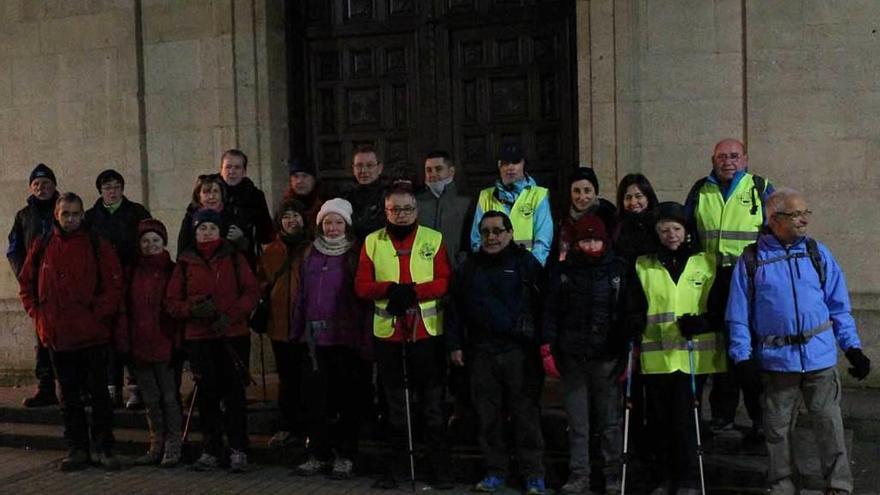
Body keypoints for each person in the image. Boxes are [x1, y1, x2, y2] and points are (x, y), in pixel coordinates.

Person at [726, 188, 871, 495]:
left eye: (806, 212)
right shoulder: (751, 260)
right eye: (796, 214)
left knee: (830, 427)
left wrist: (853, 348)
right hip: (777, 363)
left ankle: (838, 487)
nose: (804, 220)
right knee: (778, 433)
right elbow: (737, 315)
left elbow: (838, 306)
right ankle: (782, 486)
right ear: (774, 219)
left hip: (819, 360)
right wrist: (742, 358)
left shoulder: (818, 253)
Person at [354, 185, 453, 490]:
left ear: (416, 210)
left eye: (407, 209)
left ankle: (439, 468)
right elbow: (361, 285)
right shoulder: (372, 242)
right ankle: (397, 468)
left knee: (433, 408)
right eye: (394, 209)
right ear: (385, 211)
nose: (401, 215)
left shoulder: (432, 239)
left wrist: (413, 292)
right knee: (396, 408)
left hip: (426, 335)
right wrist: (387, 289)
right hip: (389, 337)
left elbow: (444, 280)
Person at [626, 202, 728, 494]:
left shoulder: (706, 262)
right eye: (664, 230)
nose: (671, 235)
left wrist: (702, 322)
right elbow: (635, 304)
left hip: (694, 356)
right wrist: (633, 322)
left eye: (676, 229)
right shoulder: (643, 264)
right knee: (659, 422)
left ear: (686, 231)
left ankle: (687, 479)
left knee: (686, 422)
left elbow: (719, 307)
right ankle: (663, 476)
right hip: (657, 357)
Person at [18, 192, 124, 471]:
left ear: (82, 215)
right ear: (56, 214)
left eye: (76, 213)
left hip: (92, 335)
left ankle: (104, 447)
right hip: (58, 336)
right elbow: (26, 285)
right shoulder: (42, 245)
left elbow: (113, 287)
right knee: (68, 397)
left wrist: (96, 316)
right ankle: (77, 448)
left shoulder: (97, 245)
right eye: (66, 213)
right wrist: (39, 316)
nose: (71, 218)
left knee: (99, 396)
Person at [448, 210, 546, 495]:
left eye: (498, 231)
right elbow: (455, 308)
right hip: (481, 352)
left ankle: (533, 476)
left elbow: (543, 306)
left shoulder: (526, 264)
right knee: (487, 418)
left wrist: (540, 342)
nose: (492, 237)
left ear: (510, 233)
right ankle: (495, 472)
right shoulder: (469, 267)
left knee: (526, 416)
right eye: (486, 232)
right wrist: (454, 344)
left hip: (520, 353)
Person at [684, 138, 774, 436]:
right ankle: (723, 415)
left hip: (750, 282)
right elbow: (689, 234)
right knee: (720, 349)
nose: (728, 161)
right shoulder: (701, 190)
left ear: (745, 159)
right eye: (722, 156)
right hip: (713, 281)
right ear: (713, 159)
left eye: (734, 156)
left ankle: (761, 418)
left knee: (750, 350)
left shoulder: (760, 188)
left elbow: (774, 234)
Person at [165, 208, 260, 473]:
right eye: (202, 229)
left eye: (212, 228)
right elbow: (172, 302)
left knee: (234, 395)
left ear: (220, 231)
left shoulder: (235, 258)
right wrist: (192, 310)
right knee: (207, 395)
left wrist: (230, 317)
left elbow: (251, 292)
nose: (207, 233)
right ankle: (211, 448)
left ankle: (238, 448)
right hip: (200, 338)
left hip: (232, 335)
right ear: (194, 232)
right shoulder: (184, 262)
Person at [544, 214, 628, 494]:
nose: (591, 246)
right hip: (573, 357)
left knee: (609, 422)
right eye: (585, 240)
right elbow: (551, 312)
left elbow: (629, 313)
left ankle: (612, 475)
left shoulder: (618, 270)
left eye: (595, 240)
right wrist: (549, 348)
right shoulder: (563, 272)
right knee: (577, 422)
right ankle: (579, 474)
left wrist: (627, 350)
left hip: (607, 356)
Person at [292, 198, 369, 479]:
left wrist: (363, 338)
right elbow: (302, 295)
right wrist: (297, 328)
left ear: (346, 225)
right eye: (328, 222)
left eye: (338, 222)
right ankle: (319, 453)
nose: (333, 228)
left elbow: (362, 300)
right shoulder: (309, 254)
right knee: (317, 400)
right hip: (315, 339)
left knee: (347, 399)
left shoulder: (355, 254)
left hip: (345, 338)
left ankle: (346, 454)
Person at [116, 219, 182, 467]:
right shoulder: (132, 272)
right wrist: (125, 342)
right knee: (151, 399)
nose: (150, 245)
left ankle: (173, 444)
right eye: (145, 241)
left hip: (165, 344)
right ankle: (156, 443)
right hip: (140, 345)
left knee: (169, 397)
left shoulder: (173, 270)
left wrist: (178, 344)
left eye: (155, 240)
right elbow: (125, 309)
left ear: (164, 242)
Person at [85, 169, 152, 410]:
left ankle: (135, 386)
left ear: (122, 188)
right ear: (100, 191)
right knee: (109, 336)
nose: (112, 192)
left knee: (132, 334)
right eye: (107, 188)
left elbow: (149, 241)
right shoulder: (91, 217)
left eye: (115, 187)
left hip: (132, 279)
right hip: (103, 284)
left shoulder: (137, 212)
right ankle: (112, 387)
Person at [256, 199, 312, 449]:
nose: (292, 221)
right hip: (279, 326)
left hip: (308, 327)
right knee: (287, 379)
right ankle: (288, 426)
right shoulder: (271, 252)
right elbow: (261, 282)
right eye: (286, 216)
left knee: (308, 379)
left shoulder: (313, 248)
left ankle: (309, 427)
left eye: (296, 216)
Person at [6, 163, 60, 408]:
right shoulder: (23, 216)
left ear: (54, 185)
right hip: (38, 288)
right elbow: (14, 250)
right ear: (31, 187)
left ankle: (76, 388)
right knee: (42, 338)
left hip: (64, 286)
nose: (41, 188)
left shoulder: (65, 209)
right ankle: (46, 387)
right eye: (37, 184)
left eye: (46, 183)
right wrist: (24, 276)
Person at [469, 142, 553, 266]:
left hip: (526, 269)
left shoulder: (539, 195)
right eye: (505, 163)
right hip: (492, 269)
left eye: (515, 162)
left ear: (524, 163)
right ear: (499, 165)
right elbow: (476, 239)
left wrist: (532, 267)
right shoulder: (485, 196)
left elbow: (543, 240)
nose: (510, 167)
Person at [219, 149, 275, 267]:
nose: (232, 171)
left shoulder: (255, 197)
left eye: (237, 167)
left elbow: (266, 234)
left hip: (245, 262)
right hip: (216, 261)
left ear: (244, 172)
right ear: (221, 170)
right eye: (228, 167)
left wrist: (243, 237)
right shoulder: (210, 195)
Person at [415, 150, 473, 266]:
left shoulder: (466, 201)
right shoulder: (415, 202)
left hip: (456, 268)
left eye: (438, 169)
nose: (433, 174)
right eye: (429, 170)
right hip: (422, 267)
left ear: (451, 171)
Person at [555, 166, 616, 262]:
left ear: (595, 191)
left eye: (587, 191)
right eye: (576, 191)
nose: (582, 197)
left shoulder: (609, 214)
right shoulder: (562, 216)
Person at [613, 173, 660, 264]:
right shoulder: (616, 226)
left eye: (638, 196)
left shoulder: (659, 223)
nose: (633, 202)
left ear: (648, 198)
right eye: (628, 198)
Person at [346, 144, 389, 242]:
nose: (364, 171)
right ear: (353, 168)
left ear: (380, 168)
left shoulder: (389, 196)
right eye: (359, 166)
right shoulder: (346, 197)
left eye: (369, 165)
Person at [282, 157, 323, 227]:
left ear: (314, 179)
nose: (299, 181)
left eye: (305, 176)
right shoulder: (284, 206)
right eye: (296, 176)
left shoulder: (324, 205)